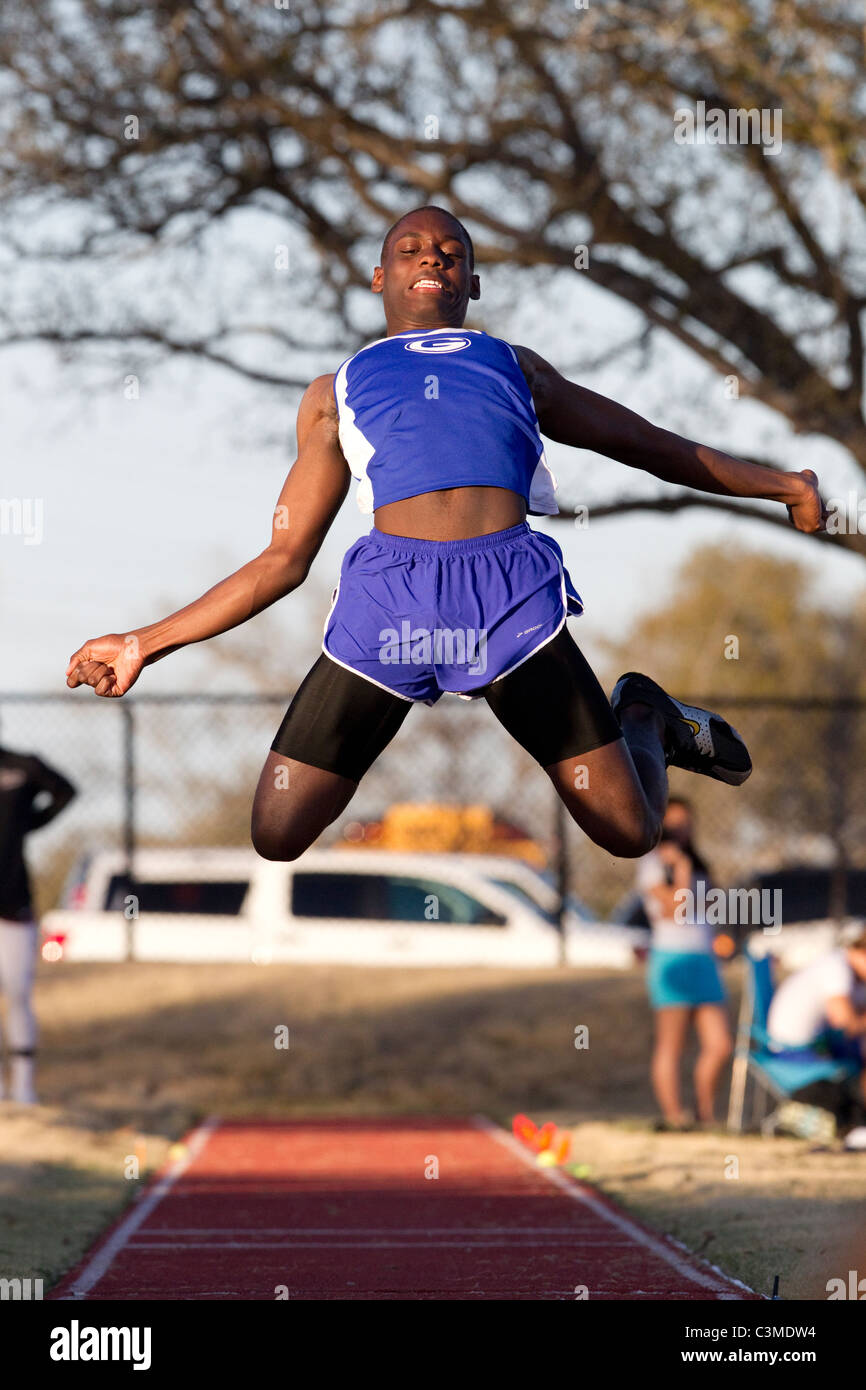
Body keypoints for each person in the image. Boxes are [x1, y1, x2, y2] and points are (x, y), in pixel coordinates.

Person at [65, 205, 825, 876]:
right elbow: (282, 560)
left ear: (473, 284)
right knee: (276, 829)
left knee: (629, 831)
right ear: (377, 277)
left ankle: (642, 717)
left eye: (452, 252)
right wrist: (144, 642)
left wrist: (782, 484)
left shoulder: (516, 368)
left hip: (506, 603)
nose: (433, 258)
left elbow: (648, 443)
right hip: (386, 605)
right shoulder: (334, 393)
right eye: (412, 249)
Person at [636, 796, 732, 1130]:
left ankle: (705, 1114)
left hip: (704, 960)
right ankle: (675, 1117)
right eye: (675, 823)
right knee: (671, 1045)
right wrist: (680, 870)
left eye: (687, 823)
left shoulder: (699, 863)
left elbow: (711, 908)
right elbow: (677, 909)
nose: (682, 830)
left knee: (720, 1044)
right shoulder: (651, 863)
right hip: (671, 961)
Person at [0, 724, 77, 1103]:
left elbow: (65, 792)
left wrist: (30, 823)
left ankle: (24, 1088)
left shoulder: (22, 767)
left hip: (14, 900)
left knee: (18, 992)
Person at [766, 927, 866, 1147]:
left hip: (818, 1049)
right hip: (793, 1052)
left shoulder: (853, 974)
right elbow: (845, 1022)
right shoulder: (836, 968)